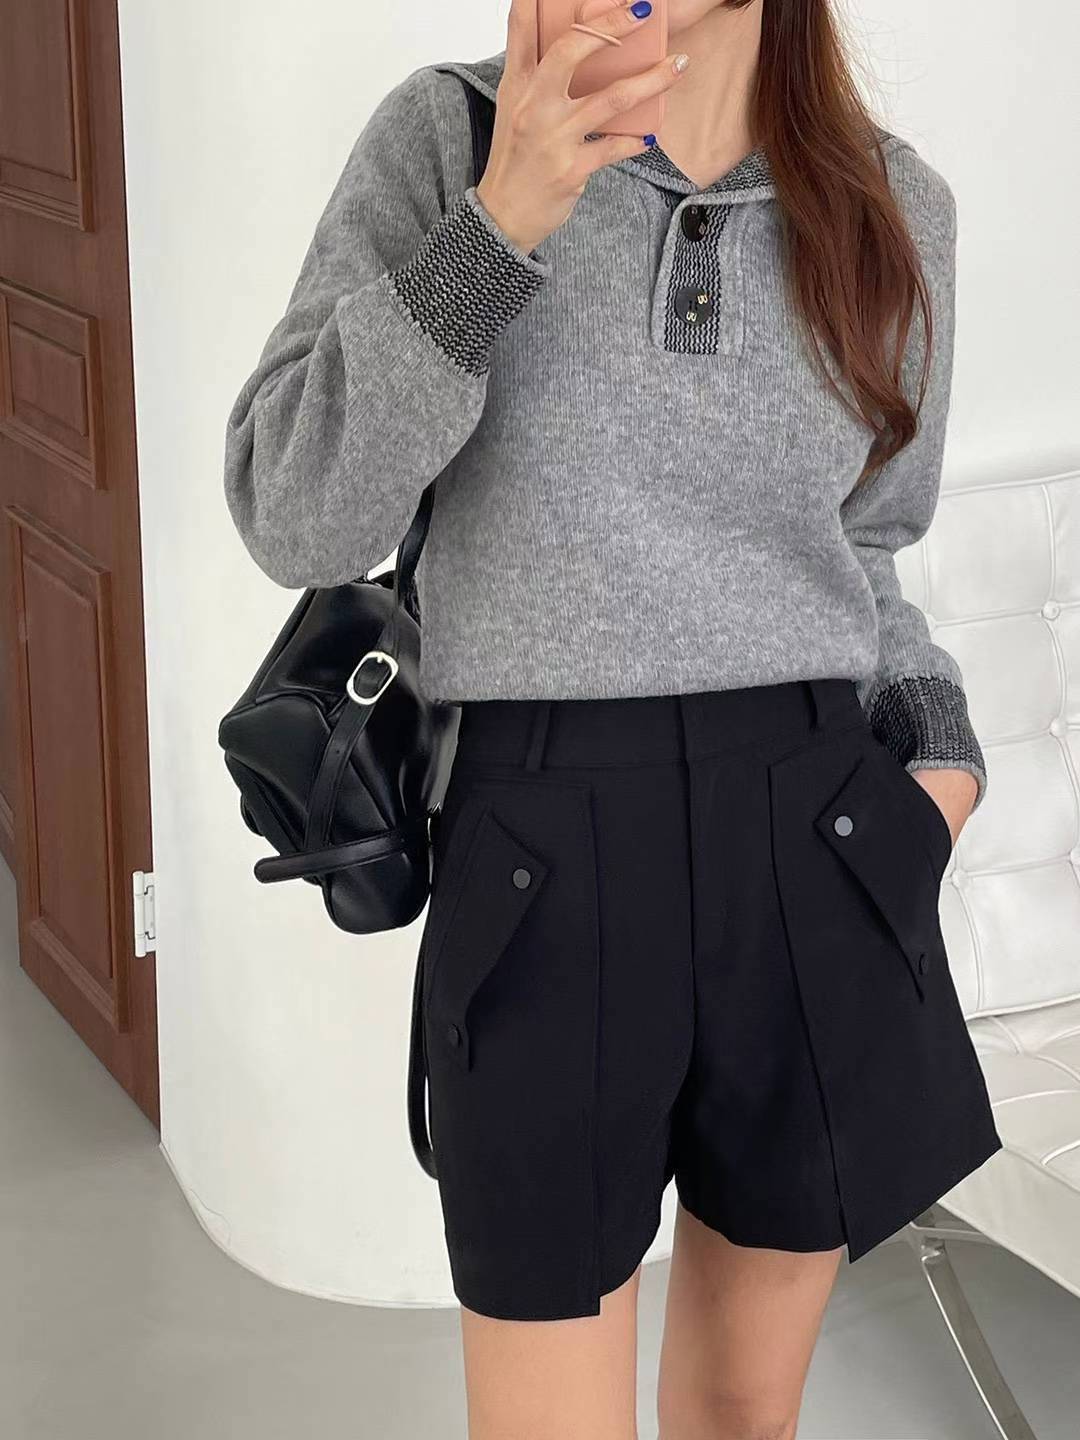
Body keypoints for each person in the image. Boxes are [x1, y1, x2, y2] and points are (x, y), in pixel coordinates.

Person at [224, 1, 1002, 1435]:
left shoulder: (892, 205)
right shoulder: (449, 138)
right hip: (542, 849)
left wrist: (938, 761)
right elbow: (296, 512)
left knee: (743, 1419)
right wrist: (503, 222)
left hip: (817, 843)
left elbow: (871, 544)